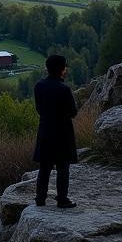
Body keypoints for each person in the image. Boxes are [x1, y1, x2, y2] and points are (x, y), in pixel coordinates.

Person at [33, 54, 78, 208]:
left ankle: (40, 198)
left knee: (44, 167)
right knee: (63, 167)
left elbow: (39, 109)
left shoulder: (39, 86)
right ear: (62, 69)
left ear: (47, 68)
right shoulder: (64, 89)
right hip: (62, 133)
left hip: (45, 130)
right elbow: (73, 112)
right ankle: (62, 199)